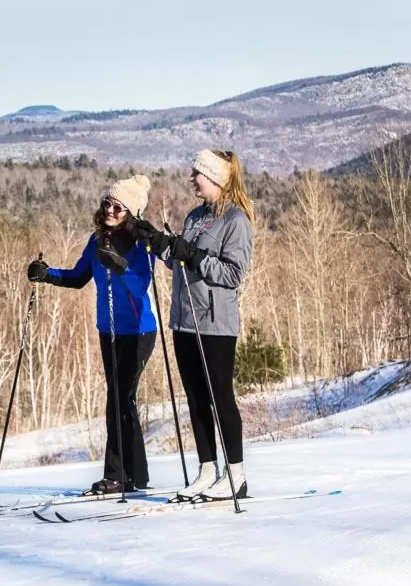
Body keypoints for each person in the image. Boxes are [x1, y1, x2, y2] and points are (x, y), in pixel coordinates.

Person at [133, 150, 254, 501]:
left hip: (216, 323)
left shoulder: (236, 221)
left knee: (220, 397)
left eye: (197, 174)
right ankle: (206, 471)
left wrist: (195, 256)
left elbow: (232, 275)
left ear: (215, 178)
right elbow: (179, 259)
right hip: (184, 320)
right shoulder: (195, 216)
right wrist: (158, 242)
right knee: (196, 400)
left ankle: (236, 477)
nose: (192, 180)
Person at [27, 175, 158, 494]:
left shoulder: (142, 245)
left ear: (132, 213)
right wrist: (47, 275)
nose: (111, 210)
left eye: (119, 207)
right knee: (122, 400)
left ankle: (117, 475)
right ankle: (136, 475)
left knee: (119, 399)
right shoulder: (96, 240)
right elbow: (77, 277)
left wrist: (120, 266)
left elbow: (141, 286)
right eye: (107, 204)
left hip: (138, 331)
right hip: (107, 330)